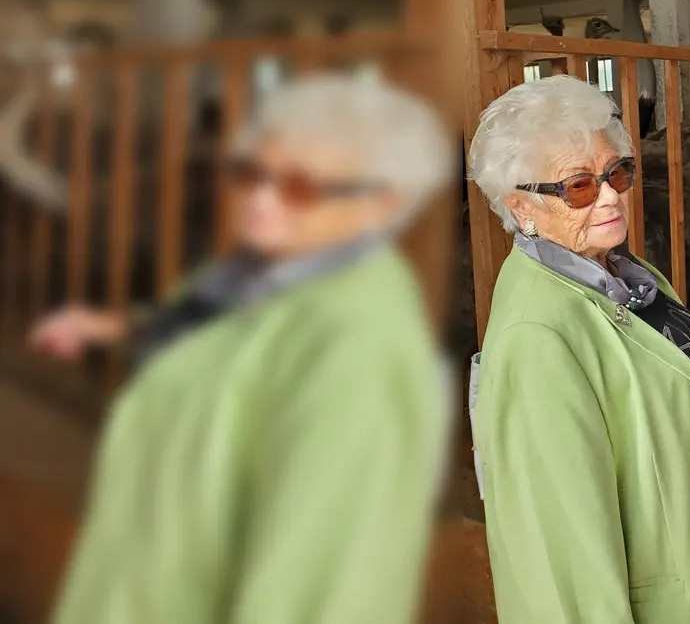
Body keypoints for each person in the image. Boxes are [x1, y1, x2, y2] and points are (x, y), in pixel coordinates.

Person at [30, 74, 456, 624]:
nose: (261, 198)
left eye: (301, 187)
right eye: (251, 173)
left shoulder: (359, 354)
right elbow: (209, 331)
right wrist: (115, 327)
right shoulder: (255, 269)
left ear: (381, 203)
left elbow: (321, 584)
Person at [466, 76, 690, 624]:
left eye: (618, 173)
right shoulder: (536, 340)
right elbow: (563, 564)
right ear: (522, 205)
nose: (611, 194)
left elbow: (632, 344)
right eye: (579, 186)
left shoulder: (613, 266)